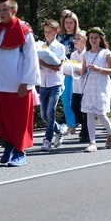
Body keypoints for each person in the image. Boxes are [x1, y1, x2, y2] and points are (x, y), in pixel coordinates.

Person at [0, 0, 40, 167]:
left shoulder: (24, 30)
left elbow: (31, 58)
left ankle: (20, 152)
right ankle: (8, 145)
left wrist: (26, 82)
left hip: (17, 85)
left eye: (5, 10)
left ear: (14, 11)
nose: (1, 13)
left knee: (18, 120)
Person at [80, 28, 111, 152]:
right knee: (89, 113)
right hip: (90, 85)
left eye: (96, 37)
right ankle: (92, 142)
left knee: (100, 113)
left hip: (101, 84)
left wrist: (99, 69)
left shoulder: (106, 53)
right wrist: (80, 71)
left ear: (100, 39)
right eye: (91, 38)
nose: (93, 40)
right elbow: (83, 72)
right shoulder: (86, 54)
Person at [37, 19, 67, 152]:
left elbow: (58, 67)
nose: (47, 34)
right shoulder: (42, 46)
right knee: (43, 114)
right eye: (45, 32)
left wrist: (43, 63)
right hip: (43, 83)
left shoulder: (59, 47)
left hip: (55, 83)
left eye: (49, 31)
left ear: (56, 32)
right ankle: (59, 129)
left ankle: (47, 139)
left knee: (51, 111)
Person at [57, 11, 80, 134]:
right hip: (64, 71)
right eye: (66, 23)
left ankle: (80, 121)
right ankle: (71, 124)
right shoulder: (59, 37)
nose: (68, 25)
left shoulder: (79, 36)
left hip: (77, 71)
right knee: (65, 99)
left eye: (71, 23)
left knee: (75, 99)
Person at [69, 30, 90, 143]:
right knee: (75, 107)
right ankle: (83, 125)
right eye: (75, 38)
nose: (75, 41)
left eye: (78, 38)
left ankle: (86, 131)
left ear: (85, 40)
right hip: (76, 85)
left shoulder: (87, 53)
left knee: (85, 109)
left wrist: (82, 70)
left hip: (86, 85)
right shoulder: (74, 54)